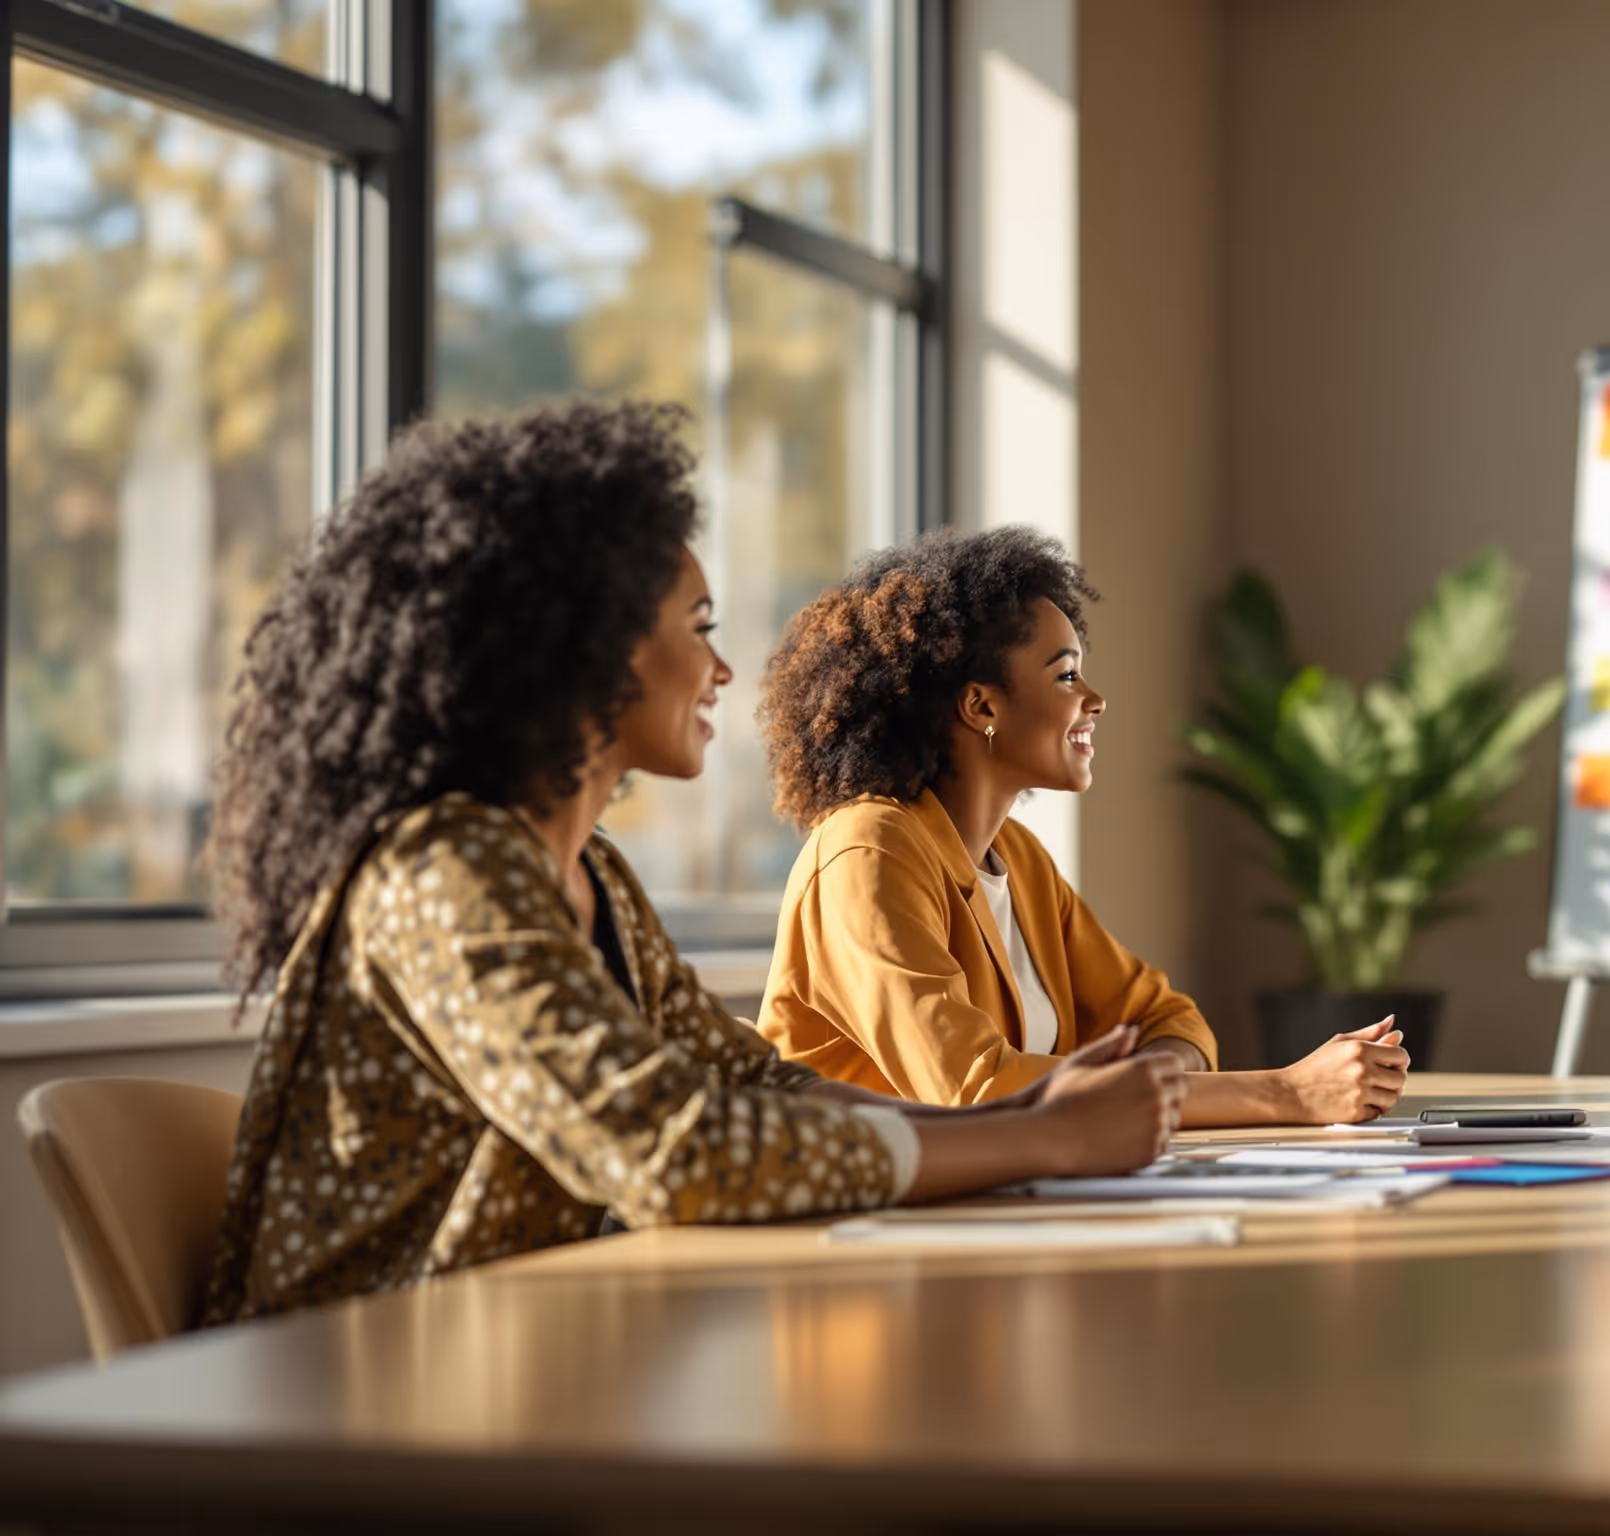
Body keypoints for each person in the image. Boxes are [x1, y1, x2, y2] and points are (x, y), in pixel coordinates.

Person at [201, 402, 1182, 1325]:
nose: (721, 671)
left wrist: (1018, 1117)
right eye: (700, 628)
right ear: (585, 646)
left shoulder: (594, 875)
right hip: (369, 1399)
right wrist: (1040, 1140)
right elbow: (675, 1150)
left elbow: (754, 1083)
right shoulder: (444, 873)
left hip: (535, 1357)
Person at [752, 528, 1408, 1124]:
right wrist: (1284, 1094)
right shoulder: (868, 851)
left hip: (1000, 1208)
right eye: (1066, 674)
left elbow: (1169, 1020)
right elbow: (977, 1092)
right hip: (869, 1232)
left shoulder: (1015, 858)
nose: (1094, 698)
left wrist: (1135, 1091)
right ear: (981, 705)